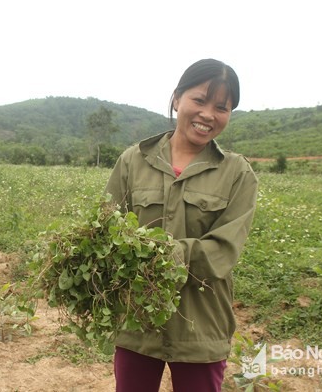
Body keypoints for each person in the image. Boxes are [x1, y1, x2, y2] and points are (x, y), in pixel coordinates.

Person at [104, 58, 258, 392]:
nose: (208, 115)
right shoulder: (133, 161)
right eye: (199, 100)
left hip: (201, 326)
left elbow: (223, 250)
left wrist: (156, 253)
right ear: (177, 99)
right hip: (137, 321)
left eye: (222, 107)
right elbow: (107, 231)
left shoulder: (237, 173)